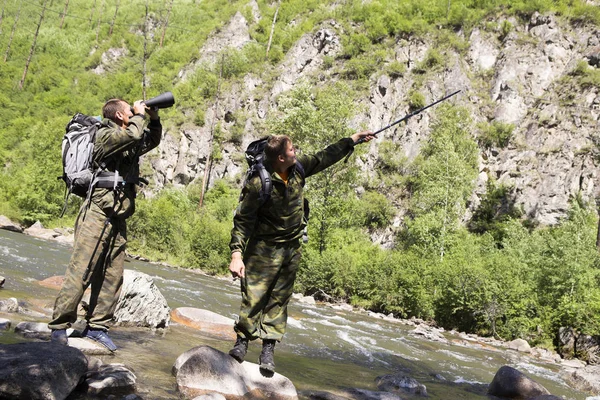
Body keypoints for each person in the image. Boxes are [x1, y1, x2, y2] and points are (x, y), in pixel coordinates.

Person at [228, 130, 374, 372]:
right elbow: (243, 221)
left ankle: (268, 349)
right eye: (292, 150)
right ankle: (242, 341)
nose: (296, 151)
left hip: (291, 247)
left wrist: (352, 140)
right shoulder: (258, 183)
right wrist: (236, 254)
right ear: (280, 159)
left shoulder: (299, 167)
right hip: (263, 247)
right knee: (253, 296)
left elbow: (325, 156)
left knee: (279, 299)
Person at [48, 98, 162, 351]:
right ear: (121, 115)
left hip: (119, 214)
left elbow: (150, 140)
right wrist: (140, 115)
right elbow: (133, 135)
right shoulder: (105, 135)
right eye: (130, 110)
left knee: (112, 274)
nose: (134, 112)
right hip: (97, 211)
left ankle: (97, 326)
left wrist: (153, 119)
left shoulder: (127, 137)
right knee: (82, 268)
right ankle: (59, 326)